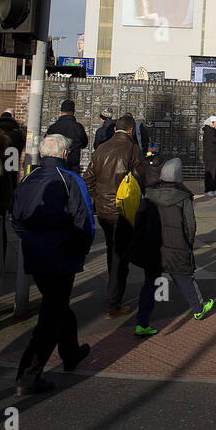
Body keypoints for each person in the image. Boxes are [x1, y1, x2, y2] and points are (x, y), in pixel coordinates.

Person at [9, 134, 95, 395]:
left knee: (57, 305)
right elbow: (84, 221)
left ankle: (70, 353)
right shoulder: (69, 180)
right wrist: (79, 251)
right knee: (51, 316)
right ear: (66, 154)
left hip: (36, 255)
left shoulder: (28, 179)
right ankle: (28, 375)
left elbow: (16, 218)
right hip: (61, 256)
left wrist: (30, 240)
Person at [128, 158, 215, 335]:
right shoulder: (184, 196)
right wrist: (188, 244)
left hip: (153, 246)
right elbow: (190, 225)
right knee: (185, 279)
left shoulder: (150, 193)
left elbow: (139, 220)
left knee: (149, 284)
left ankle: (142, 322)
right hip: (176, 246)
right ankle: (198, 309)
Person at [83, 114, 149, 318]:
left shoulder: (101, 149)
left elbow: (88, 179)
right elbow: (140, 181)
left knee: (113, 251)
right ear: (130, 131)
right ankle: (113, 302)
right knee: (120, 256)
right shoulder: (133, 150)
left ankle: (113, 296)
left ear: (114, 130)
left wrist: (98, 198)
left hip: (103, 210)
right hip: (123, 210)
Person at [45, 99, 89, 172]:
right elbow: (84, 144)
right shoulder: (78, 127)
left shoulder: (53, 127)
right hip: (72, 167)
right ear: (73, 112)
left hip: (54, 167)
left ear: (61, 112)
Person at [201, 116, 216, 193]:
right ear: (212, 123)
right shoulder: (209, 131)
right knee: (210, 174)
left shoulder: (213, 130)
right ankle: (209, 189)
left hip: (215, 155)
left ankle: (213, 188)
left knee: (215, 173)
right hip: (211, 156)